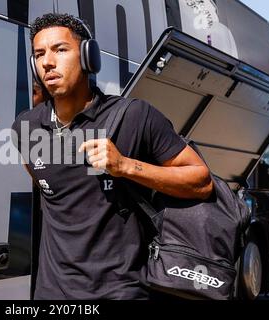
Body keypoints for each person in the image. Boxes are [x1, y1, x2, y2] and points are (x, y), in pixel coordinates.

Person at [11, 13, 213, 300]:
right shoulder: (25, 127)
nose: (47, 62)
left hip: (121, 291)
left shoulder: (135, 116)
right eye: (39, 54)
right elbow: (43, 182)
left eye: (60, 50)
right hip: (51, 292)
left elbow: (201, 182)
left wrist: (125, 166)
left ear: (87, 57)